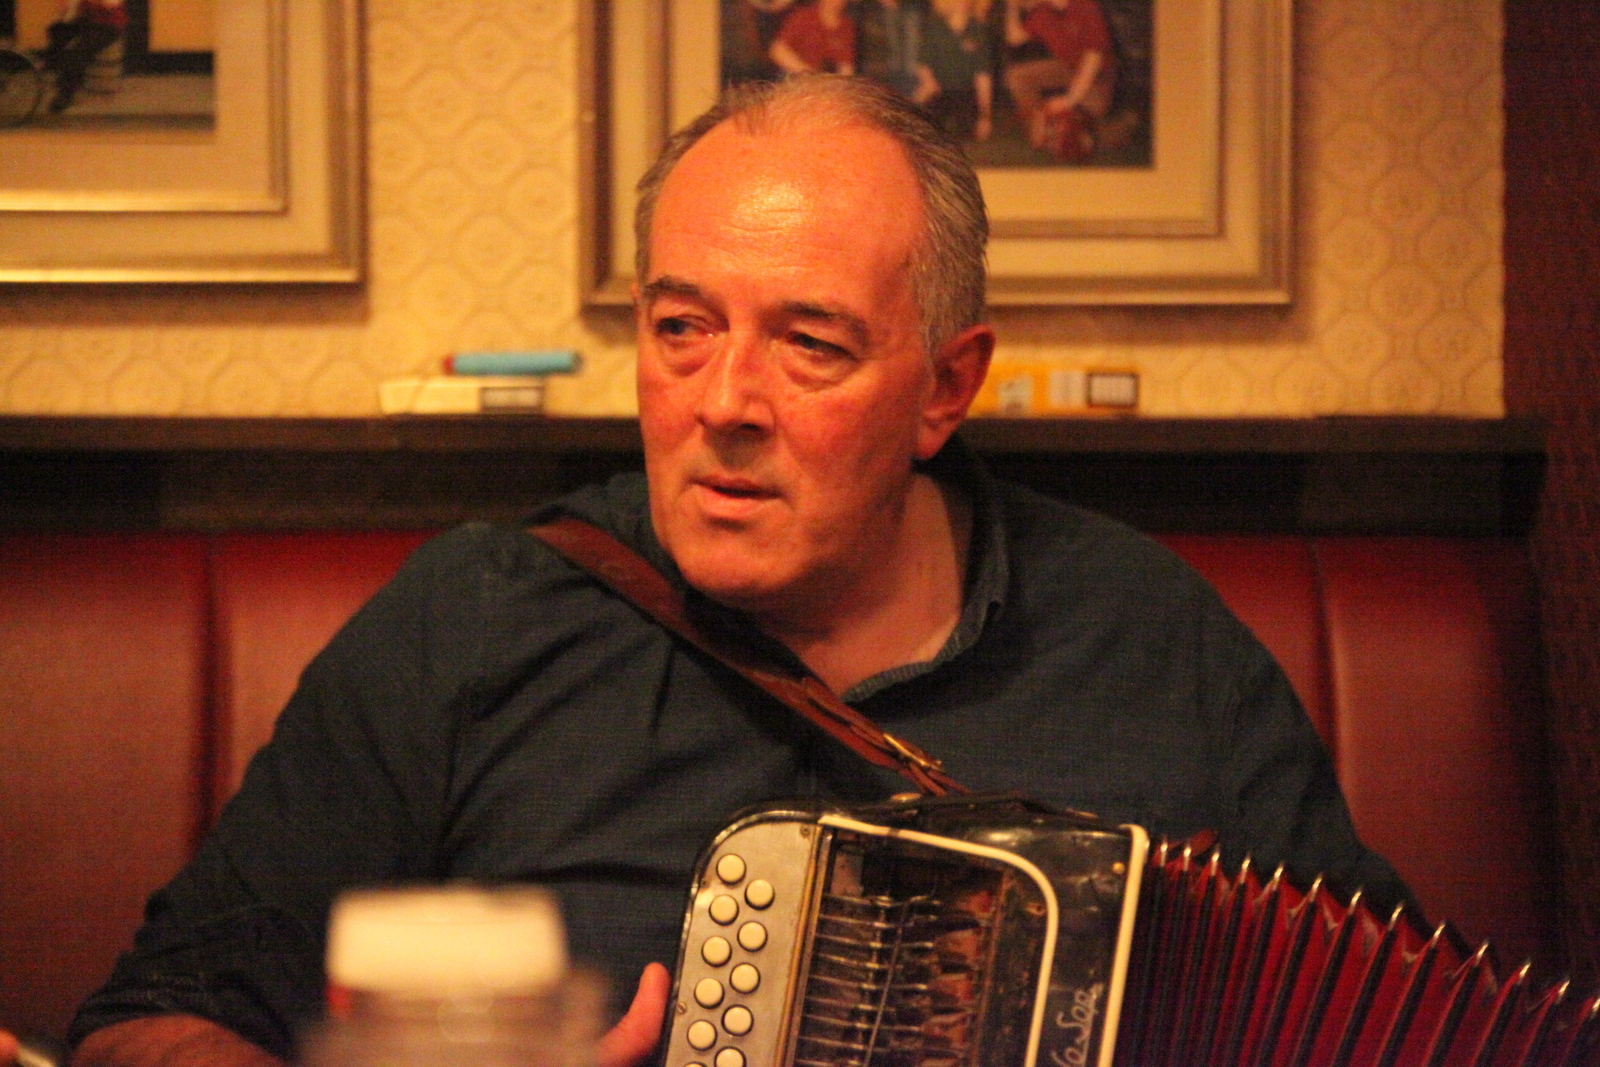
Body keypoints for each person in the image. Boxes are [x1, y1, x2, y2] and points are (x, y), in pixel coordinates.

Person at [68, 75, 1406, 1067]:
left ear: (946, 387)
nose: (722, 402)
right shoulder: (472, 624)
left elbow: (1390, 1022)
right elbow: (146, 1024)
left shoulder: (1154, 641)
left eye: (809, 343)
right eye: (681, 327)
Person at [1002, 0, 1115, 159]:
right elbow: (1014, 37)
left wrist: (1069, 100)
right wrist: (1012, 7)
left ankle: (1109, 130)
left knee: (1075, 133)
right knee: (1017, 76)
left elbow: (1093, 58)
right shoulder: (1042, 12)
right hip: (1068, 68)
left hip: (1097, 77)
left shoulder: (1086, 6)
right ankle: (1038, 126)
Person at [40, 0, 125, 114]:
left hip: (108, 25)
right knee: (57, 29)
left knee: (78, 52)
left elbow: (110, 4)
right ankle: (55, 65)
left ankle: (66, 93)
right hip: (89, 22)